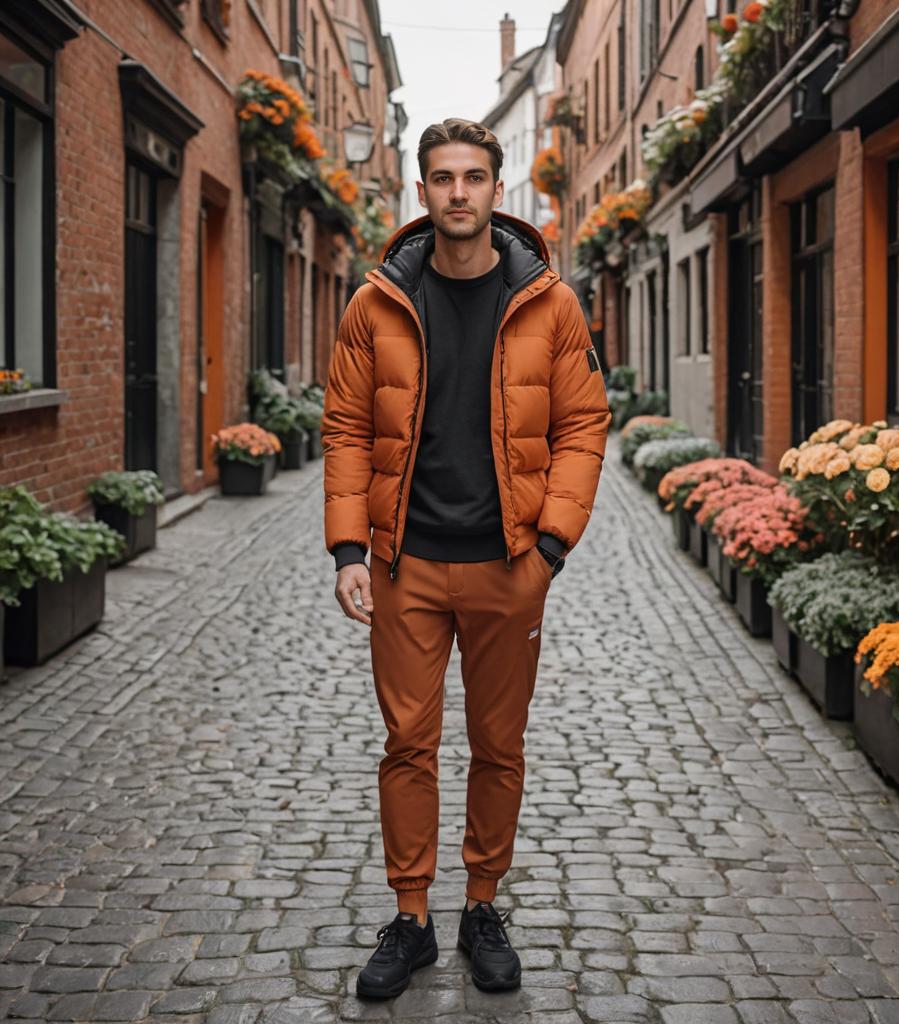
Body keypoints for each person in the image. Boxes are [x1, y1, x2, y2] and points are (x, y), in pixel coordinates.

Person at [321, 117, 610, 999]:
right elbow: (343, 428)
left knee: (498, 744)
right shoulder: (374, 304)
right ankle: (411, 919)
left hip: (508, 563)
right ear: (422, 192)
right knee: (407, 742)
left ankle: (482, 906)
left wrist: (551, 545)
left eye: (474, 177)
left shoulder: (550, 302)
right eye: (442, 177)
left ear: (496, 188)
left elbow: (583, 424)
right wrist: (346, 548)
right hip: (404, 562)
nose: (458, 193)